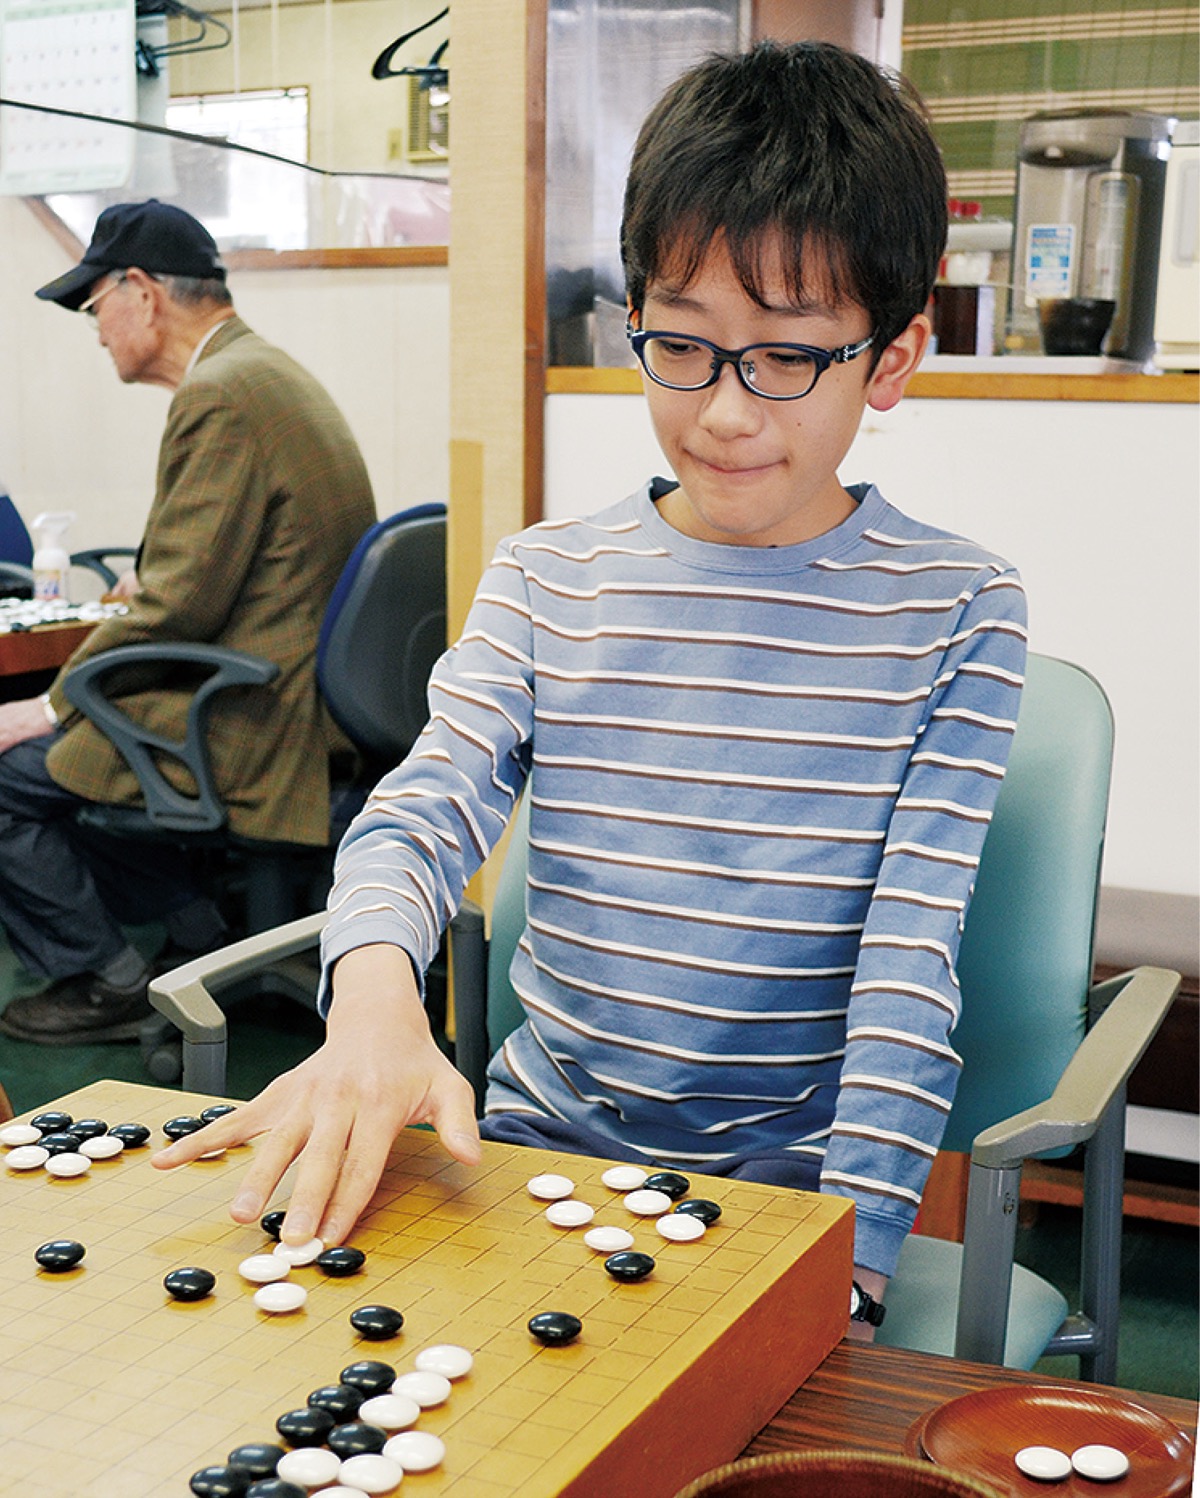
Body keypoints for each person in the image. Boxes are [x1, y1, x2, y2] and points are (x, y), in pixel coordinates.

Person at [155, 42, 1027, 1336]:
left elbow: (911, 967)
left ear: (891, 360)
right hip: (528, 1163)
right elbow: (423, 809)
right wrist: (378, 997)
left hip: (787, 1201)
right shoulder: (545, 577)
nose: (724, 413)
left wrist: (851, 1268)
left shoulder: (957, 609)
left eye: (784, 357)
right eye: (679, 344)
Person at [0, 199, 376, 1045]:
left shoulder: (221, 395)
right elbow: (208, 576)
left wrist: (46, 706)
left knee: (17, 769)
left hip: (258, 722)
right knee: (73, 763)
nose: (96, 332)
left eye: (95, 307)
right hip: (299, 695)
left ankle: (108, 978)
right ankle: (198, 931)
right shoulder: (260, 372)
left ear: (140, 291)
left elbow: (178, 604)